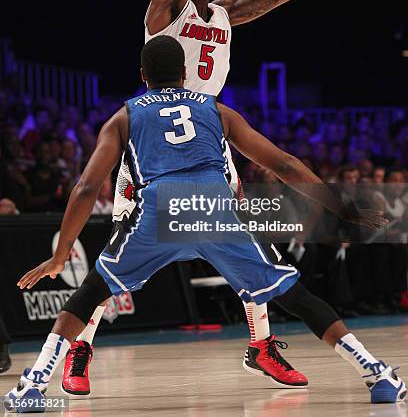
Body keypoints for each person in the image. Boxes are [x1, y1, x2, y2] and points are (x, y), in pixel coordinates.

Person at [5, 37, 405, 411]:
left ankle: (35, 384)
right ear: (184, 73)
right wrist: (344, 209)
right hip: (214, 205)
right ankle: (375, 373)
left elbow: (87, 186)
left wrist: (59, 256)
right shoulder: (215, 108)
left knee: (90, 293)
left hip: (160, 210)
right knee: (292, 294)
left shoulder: (123, 116)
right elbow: (283, 164)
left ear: (142, 76)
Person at [61, 0, 309, 393]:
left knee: (242, 243)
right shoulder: (162, 10)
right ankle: (79, 349)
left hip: (208, 142)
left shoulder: (225, 14)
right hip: (154, 141)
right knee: (118, 248)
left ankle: (261, 345)